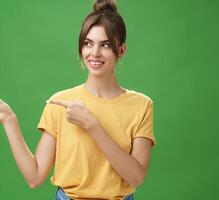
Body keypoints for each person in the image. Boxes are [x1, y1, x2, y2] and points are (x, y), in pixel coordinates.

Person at [0, 0, 155, 199]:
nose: (94, 53)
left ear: (121, 50)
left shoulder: (141, 106)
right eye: (88, 43)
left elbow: (136, 177)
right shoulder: (60, 102)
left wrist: (92, 124)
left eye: (105, 45)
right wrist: (9, 120)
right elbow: (35, 177)